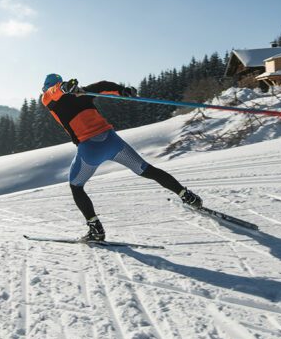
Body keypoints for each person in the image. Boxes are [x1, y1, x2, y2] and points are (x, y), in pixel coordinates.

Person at [40, 73, 203, 241]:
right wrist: (122, 90)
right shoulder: (82, 93)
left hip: (90, 148)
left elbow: (52, 93)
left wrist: (63, 88)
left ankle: (95, 229)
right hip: (112, 142)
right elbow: (102, 85)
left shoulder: (48, 99)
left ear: (46, 86)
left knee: (76, 185)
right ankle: (186, 195)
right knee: (147, 169)